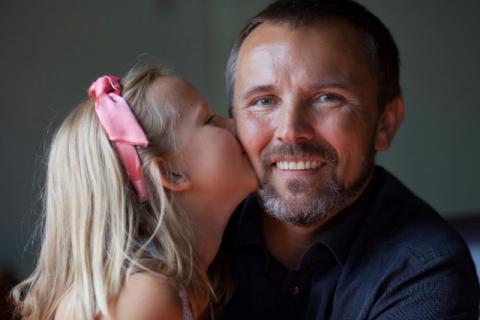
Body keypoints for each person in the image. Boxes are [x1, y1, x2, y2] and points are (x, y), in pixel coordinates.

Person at [220, 0, 480, 319]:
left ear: (384, 124)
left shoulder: (427, 271)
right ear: (232, 123)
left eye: (327, 98)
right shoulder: (193, 230)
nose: (290, 131)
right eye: (263, 101)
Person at [12, 67, 257, 319]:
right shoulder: (145, 296)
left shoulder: (181, 280)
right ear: (172, 173)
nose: (233, 124)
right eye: (208, 119)